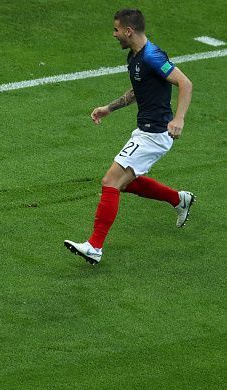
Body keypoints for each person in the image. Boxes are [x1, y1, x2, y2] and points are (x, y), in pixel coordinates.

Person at [64, 9, 194, 264]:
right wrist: (109, 108)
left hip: (155, 133)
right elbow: (138, 90)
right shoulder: (134, 58)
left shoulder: (153, 56)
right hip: (145, 130)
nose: (114, 35)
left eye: (116, 30)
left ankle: (94, 246)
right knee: (124, 183)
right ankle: (179, 200)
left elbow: (185, 83)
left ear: (128, 30)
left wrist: (178, 119)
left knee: (110, 181)